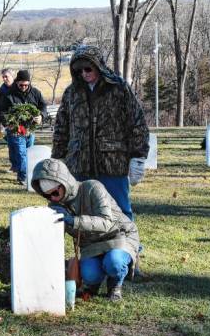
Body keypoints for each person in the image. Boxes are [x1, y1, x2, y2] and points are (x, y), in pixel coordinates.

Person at [52, 45, 149, 220]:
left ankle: (128, 246)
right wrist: (58, 158)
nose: (84, 73)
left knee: (120, 210)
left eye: (88, 68)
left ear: (99, 66)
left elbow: (137, 122)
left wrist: (138, 156)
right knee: (84, 213)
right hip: (79, 162)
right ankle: (93, 247)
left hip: (112, 163)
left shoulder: (119, 88)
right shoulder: (71, 93)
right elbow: (61, 127)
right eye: (79, 70)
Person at [31, 158, 140, 301]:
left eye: (55, 193)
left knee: (114, 263)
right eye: (47, 195)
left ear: (64, 182)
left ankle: (115, 284)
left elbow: (106, 223)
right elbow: (54, 242)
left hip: (118, 236)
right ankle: (95, 282)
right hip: (91, 245)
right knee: (89, 274)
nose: (53, 198)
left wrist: (74, 221)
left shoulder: (93, 188)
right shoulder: (55, 207)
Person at [0, 69, 46, 185]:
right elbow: (1, 111)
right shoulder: (8, 95)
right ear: (17, 82)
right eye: (21, 84)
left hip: (30, 129)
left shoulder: (36, 93)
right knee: (21, 153)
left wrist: (41, 116)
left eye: (26, 85)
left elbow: (43, 106)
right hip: (15, 129)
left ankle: (25, 174)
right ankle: (23, 178)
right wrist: (7, 122)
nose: (23, 87)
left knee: (28, 152)